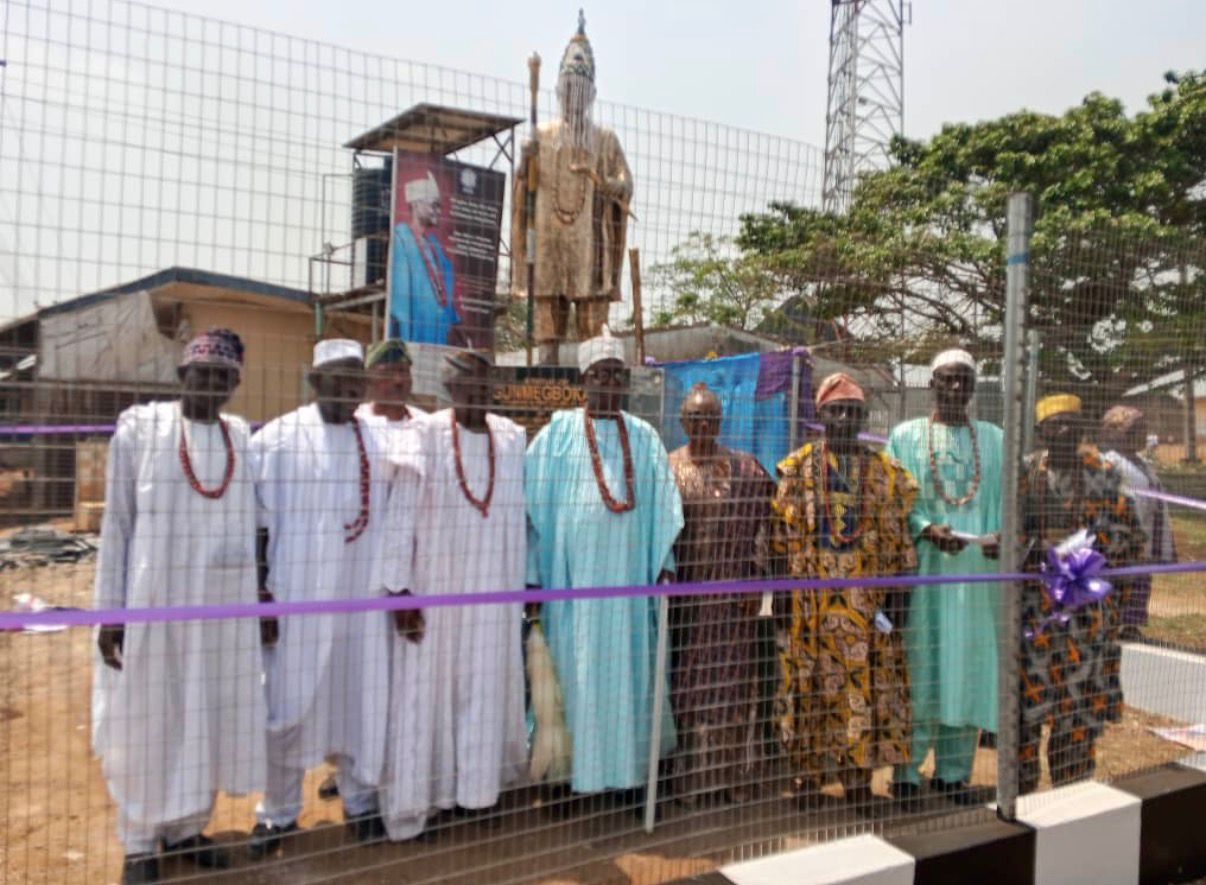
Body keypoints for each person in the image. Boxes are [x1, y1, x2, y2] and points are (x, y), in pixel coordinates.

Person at [92, 328, 269, 884]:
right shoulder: (141, 429)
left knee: (208, 712)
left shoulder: (240, 436)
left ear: (235, 385)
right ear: (180, 376)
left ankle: (189, 826)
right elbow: (116, 524)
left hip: (221, 610)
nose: (212, 386)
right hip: (154, 605)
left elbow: (256, 524)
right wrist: (110, 612)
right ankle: (142, 840)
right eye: (203, 375)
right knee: (150, 715)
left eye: (224, 378)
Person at [249, 339, 400, 854]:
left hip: (363, 602)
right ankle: (277, 814)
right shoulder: (277, 439)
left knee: (362, 700)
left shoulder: (380, 442)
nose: (349, 387)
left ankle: (360, 803)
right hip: (297, 600)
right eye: (338, 377)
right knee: (286, 705)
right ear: (314, 382)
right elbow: (257, 528)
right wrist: (261, 594)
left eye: (356, 378)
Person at [525, 328, 683, 796]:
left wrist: (665, 563)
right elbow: (530, 512)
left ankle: (629, 778)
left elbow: (663, 509)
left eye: (619, 375)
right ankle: (566, 777)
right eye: (602, 375)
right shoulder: (557, 435)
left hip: (630, 597)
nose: (612, 385)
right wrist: (533, 579)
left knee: (630, 682)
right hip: (573, 594)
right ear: (585, 380)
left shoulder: (646, 438)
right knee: (573, 680)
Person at [380, 350, 528, 840]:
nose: (475, 392)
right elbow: (400, 515)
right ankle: (427, 798)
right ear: (448, 387)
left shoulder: (510, 438)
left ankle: (478, 792)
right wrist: (399, 591)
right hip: (435, 589)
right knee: (429, 689)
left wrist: (520, 583)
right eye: (466, 384)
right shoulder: (422, 434)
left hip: (492, 590)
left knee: (485, 687)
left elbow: (516, 518)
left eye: (484, 384)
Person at [771, 373, 916, 813]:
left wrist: (898, 602)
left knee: (865, 693)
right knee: (807, 689)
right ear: (820, 415)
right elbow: (780, 538)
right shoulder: (796, 468)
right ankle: (809, 780)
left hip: (866, 608)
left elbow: (903, 546)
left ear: (863, 417)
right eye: (836, 410)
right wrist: (780, 596)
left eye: (854, 412)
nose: (845, 419)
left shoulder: (887, 474)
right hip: (811, 605)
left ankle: (857, 784)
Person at [887, 350, 1003, 808]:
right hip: (927, 575)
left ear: (974, 388)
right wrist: (924, 528)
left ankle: (955, 774)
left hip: (976, 577)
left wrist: (999, 536)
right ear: (931, 384)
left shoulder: (994, 438)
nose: (956, 389)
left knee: (967, 670)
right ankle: (907, 775)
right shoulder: (904, 436)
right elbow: (893, 499)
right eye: (947, 380)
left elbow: (1005, 501)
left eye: (965, 381)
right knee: (921, 670)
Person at [1019, 394, 1143, 794]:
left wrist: (1066, 548)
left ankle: (1072, 787)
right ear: (1041, 432)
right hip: (1035, 611)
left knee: (1079, 703)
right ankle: (1020, 788)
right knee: (1029, 701)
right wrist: (1031, 546)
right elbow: (1011, 532)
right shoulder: (1027, 473)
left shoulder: (1106, 475)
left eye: (1072, 422)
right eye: (1055, 424)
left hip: (1087, 612)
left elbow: (1129, 537)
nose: (1065, 430)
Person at [666, 382, 775, 805]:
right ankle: (689, 784)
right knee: (687, 691)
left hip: (733, 601)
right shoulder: (668, 467)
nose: (703, 425)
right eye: (695, 417)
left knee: (733, 690)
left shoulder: (746, 469)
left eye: (711, 417)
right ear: (682, 421)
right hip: (687, 606)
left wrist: (756, 578)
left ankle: (734, 780)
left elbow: (767, 525)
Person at [511, 11, 632, 365]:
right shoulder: (543, 135)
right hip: (549, 241)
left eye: (580, 92)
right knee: (547, 332)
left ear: (591, 94)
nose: (573, 99)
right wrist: (525, 160)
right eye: (568, 90)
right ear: (558, 91)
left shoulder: (604, 140)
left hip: (590, 245)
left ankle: (592, 383)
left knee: (593, 334)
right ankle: (542, 386)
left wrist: (609, 185)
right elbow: (525, 190)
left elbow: (625, 184)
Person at [1099, 405, 1176, 640]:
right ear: (1117, 432)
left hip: (1143, 535)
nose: (1143, 434)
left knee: (1140, 580)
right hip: (1121, 536)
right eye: (1137, 429)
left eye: (1144, 429)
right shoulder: (1110, 462)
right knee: (1118, 578)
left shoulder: (1141, 462)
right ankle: (1111, 622)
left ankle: (1130, 624)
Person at [390, 171, 458, 345]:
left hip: (438, 337)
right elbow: (399, 302)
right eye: (434, 206)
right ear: (417, 204)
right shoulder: (401, 239)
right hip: (414, 336)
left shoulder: (434, 245)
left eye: (439, 207)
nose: (438, 212)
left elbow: (445, 287)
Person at [356, 338, 428, 428]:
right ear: (369, 379)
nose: (398, 381)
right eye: (387, 373)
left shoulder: (424, 425)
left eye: (403, 371)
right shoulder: (357, 422)